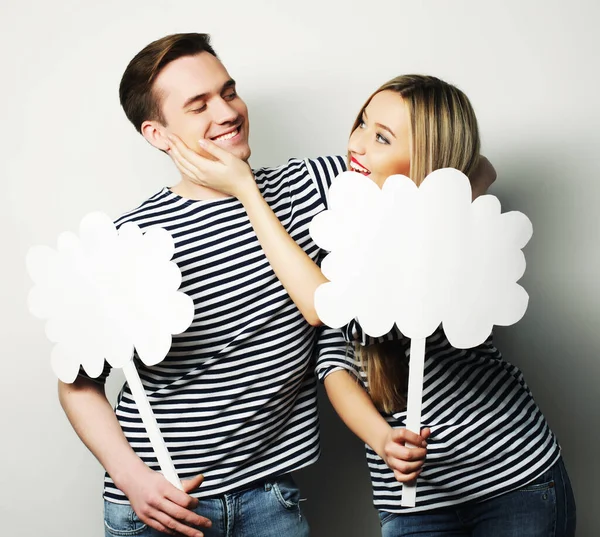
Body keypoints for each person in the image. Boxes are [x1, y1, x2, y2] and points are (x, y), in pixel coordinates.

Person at [171, 75, 576, 536]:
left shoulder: (444, 237)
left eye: (381, 137)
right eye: (361, 124)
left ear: (424, 159)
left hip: (515, 478)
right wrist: (382, 438)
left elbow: (322, 307)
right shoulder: (340, 224)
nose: (357, 145)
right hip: (413, 499)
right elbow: (334, 362)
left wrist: (247, 190)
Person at [58, 32, 351, 537]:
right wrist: (133, 481)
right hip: (159, 508)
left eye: (229, 91)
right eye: (199, 105)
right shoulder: (130, 240)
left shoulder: (311, 186)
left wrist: (246, 190)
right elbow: (76, 382)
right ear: (157, 134)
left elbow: (458, 167)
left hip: (272, 500)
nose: (228, 111)